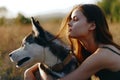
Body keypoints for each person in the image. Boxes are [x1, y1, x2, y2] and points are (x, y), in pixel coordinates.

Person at [24, 4, 120, 80]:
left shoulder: (102, 55)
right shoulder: (84, 50)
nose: (69, 23)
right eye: (70, 20)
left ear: (92, 26)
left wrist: (41, 70)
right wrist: (28, 71)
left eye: (75, 19)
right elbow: (60, 58)